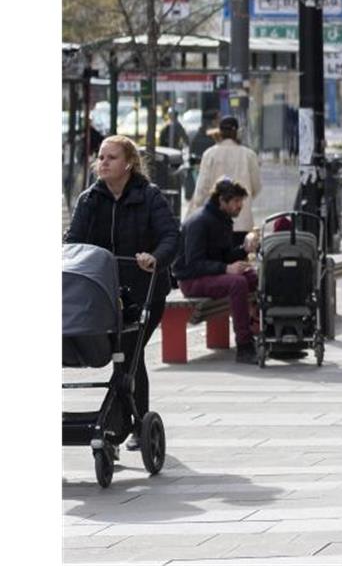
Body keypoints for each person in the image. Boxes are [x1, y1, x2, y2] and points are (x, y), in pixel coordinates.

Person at [64, 135, 180, 449]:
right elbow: (73, 242)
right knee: (119, 355)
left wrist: (156, 257)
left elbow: (171, 236)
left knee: (130, 354)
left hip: (143, 292)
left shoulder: (149, 196)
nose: (102, 163)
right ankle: (121, 421)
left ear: (128, 163)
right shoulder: (90, 199)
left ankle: (132, 424)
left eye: (110, 158)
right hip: (103, 293)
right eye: (100, 157)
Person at [173, 178, 261, 364]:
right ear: (222, 201)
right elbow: (194, 264)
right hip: (191, 281)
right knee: (237, 282)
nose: (240, 206)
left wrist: (244, 250)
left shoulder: (222, 220)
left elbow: (224, 255)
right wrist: (227, 269)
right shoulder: (200, 222)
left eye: (241, 201)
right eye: (236, 201)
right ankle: (244, 345)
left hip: (210, 275)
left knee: (254, 277)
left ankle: (258, 329)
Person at [189, 115, 261, 245]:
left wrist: (199, 207)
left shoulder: (210, 154)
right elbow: (256, 186)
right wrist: (241, 201)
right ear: (237, 132)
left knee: (218, 260)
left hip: (214, 222)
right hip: (242, 223)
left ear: (220, 132)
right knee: (239, 260)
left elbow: (201, 189)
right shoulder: (249, 155)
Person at [186, 111, 218, 201]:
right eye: (217, 120)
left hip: (198, 170)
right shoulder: (213, 137)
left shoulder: (197, 136)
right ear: (213, 121)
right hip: (207, 172)